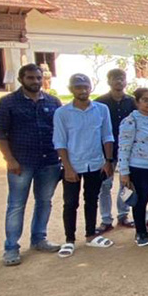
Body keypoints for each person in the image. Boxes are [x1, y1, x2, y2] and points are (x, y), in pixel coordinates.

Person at [0, 63, 63, 266]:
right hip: (21, 163)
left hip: (49, 161)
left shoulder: (53, 102)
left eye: (38, 78)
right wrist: (9, 159)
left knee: (44, 201)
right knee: (16, 205)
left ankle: (39, 238)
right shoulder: (7, 103)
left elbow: (60, 131)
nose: (35, 82)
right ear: (22, 79)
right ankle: (11, 248)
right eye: (31, 78)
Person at [52, 74, 115, 257]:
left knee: (92, 199)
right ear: (71, 89)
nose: (83, 90)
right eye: (78, 87)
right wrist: (68, 167)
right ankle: (69, 240)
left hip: (96, 163)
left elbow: (107, 136)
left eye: (85, 87)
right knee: (70, 203)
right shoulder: (62, 113)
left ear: (91, 88)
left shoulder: (101, 109)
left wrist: (108, 161)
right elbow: (60, 142)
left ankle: (90, 235)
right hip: (74, 164)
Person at [117, 87, 148, 246]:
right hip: (139, 168)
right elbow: (124, 147)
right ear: (137, 102)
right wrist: (124, 172)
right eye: (145, 100)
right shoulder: (131, 121)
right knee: (141, 200)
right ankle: (141, 232)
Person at [96, 68, 136, 232]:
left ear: (126, 81)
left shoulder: (133, 102)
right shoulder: (99, 103)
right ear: (109, 81)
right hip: (106, 149)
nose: (118, 81)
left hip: (128, 149)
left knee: (125, 183)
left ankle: (123, 215)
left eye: (121, 78)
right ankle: (106, 219)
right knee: (105, 184)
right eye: (115, 78)